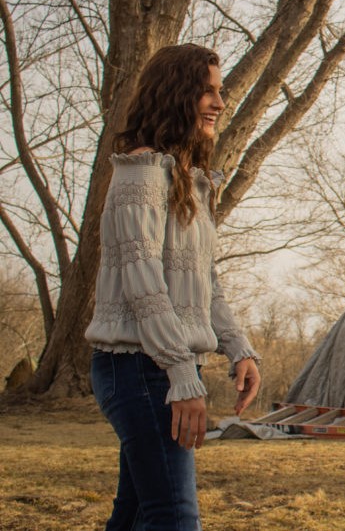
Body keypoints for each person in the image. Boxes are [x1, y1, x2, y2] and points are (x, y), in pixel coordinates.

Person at [85, 43, 262, 530]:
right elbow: (144, 285)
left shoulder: (185, 179)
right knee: (174, 517)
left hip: (161, 365)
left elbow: (205, 280)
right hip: (140, 368)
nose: (219, 103)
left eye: (219, 92)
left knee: (137, 512)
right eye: (206, 92)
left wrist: (238, 348)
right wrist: (183, 375)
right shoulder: (140, 175)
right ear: (174, 94)